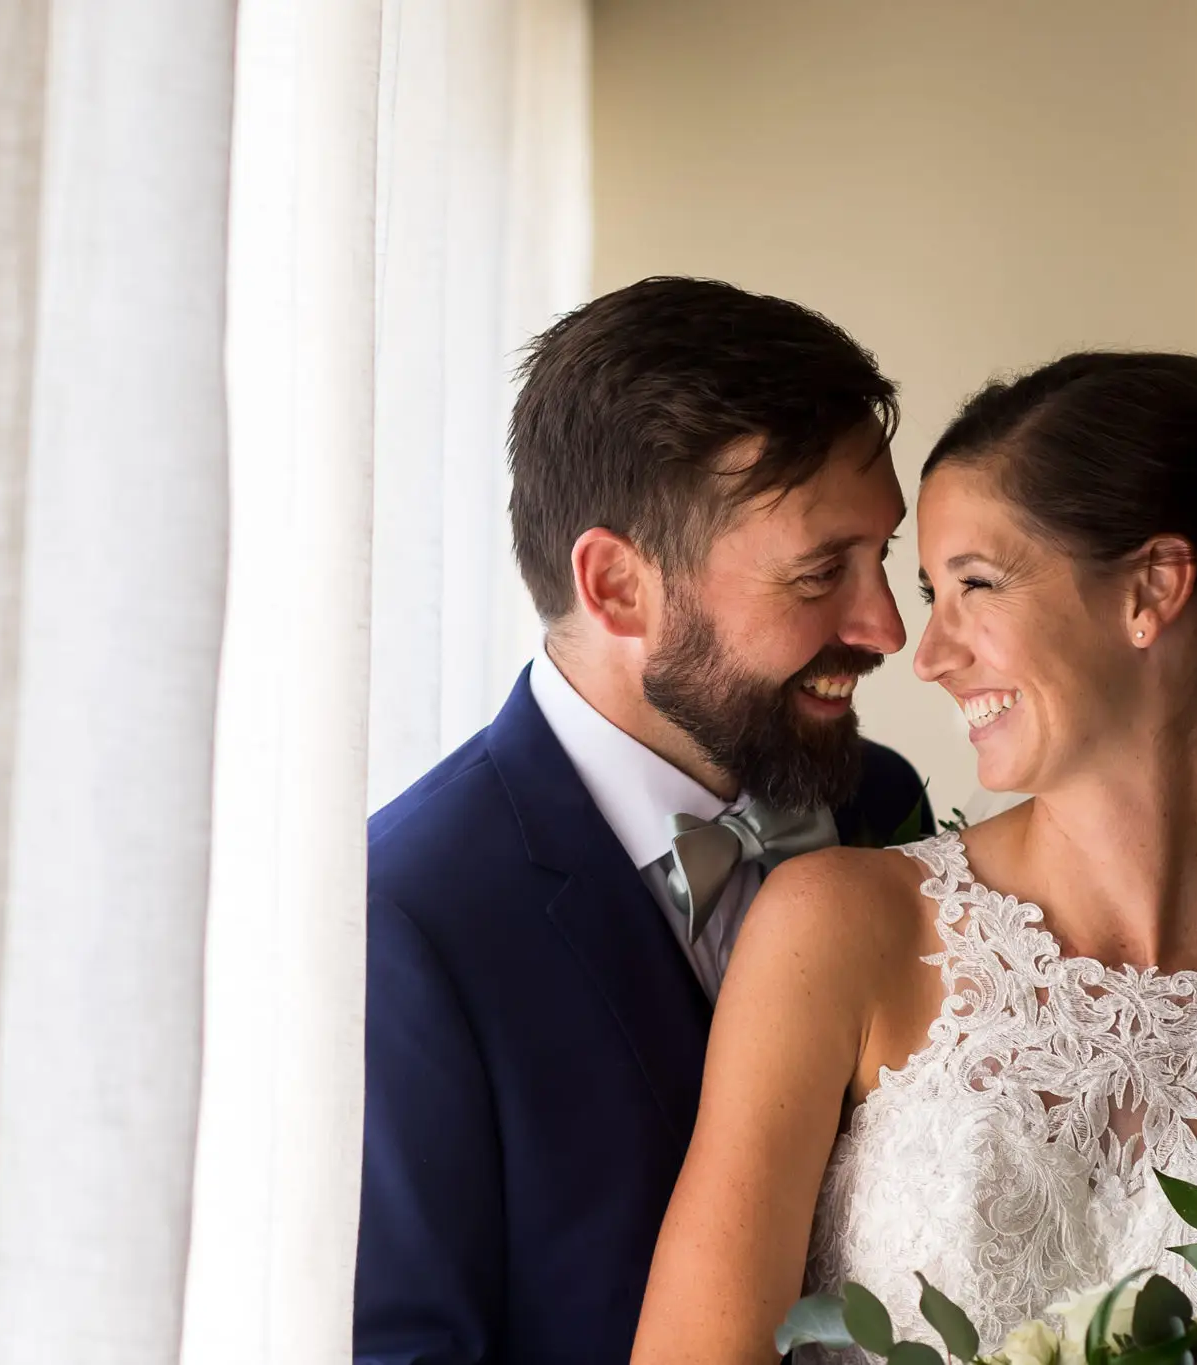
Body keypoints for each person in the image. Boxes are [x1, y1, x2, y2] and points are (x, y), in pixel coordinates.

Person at [632, 353, 1197, 1361]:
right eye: (931, 590)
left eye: (974, 585)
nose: (928, 653)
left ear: (1150, 588)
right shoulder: (841, 928)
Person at [356, 277, 934, 1365]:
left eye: (883, 558)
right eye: (821, 572)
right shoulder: (407, 925)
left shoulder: (884, 804)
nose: (886, 627)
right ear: (617, 586)